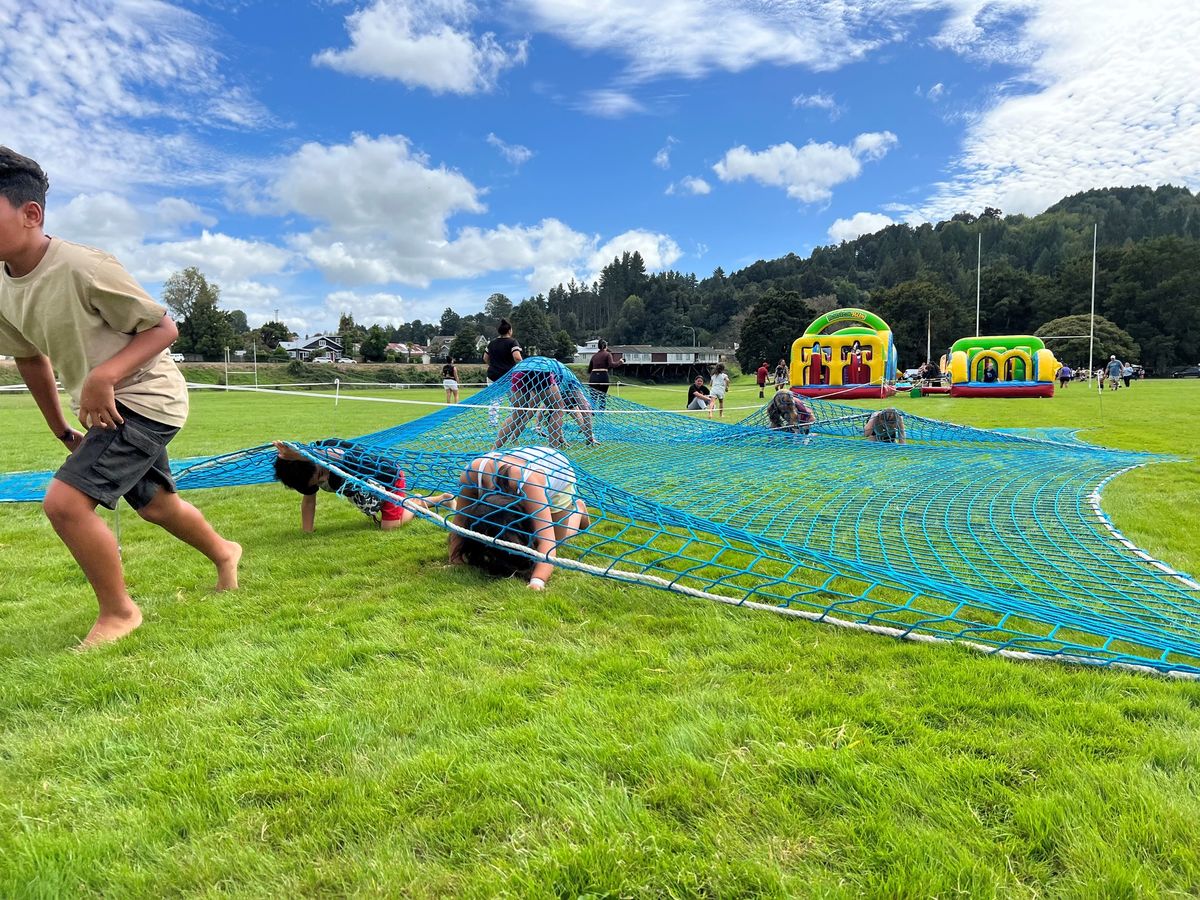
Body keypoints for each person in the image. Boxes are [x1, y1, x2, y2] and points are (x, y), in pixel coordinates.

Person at [0, 146, 240, 647]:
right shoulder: (4, 287)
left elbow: (163, 327)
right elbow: (30, 359)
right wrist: (59, 426)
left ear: (30, 214)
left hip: (148, 398)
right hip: (107, 408)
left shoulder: (85, 267)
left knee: (64, 504)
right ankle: (225, 553)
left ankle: (119, 612)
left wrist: (103, 376)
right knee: (154, 504)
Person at [448, 446, 590, 590]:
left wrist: (537, 581)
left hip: (557, 469)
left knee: (557, 540)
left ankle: (578, 510)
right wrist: (455, 559)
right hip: (519, 466)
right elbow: (459, 522)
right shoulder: (471, 475)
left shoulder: (528, 484)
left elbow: (547, 542)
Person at [272, 440, 451, 532]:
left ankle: (418, 503)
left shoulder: (331, 450)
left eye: (321, 473)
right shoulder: (303, 475)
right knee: (385, 517)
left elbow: (331, 456)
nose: (324, 478)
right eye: (318, 482)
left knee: (390, 527)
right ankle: (423, 501)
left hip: (388, 478)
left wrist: (299, 455)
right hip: (369, 487)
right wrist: (307, 531)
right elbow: (309, 501)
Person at [495, 358, 595, 449]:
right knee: (558, 409)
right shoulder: (573, 382)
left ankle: (496, 448)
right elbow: (585, 411)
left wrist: (560, 437)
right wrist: (590, 438)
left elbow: (539, 411)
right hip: (541, 371)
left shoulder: (559, 375)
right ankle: (552, 450)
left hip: (519, 370)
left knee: (518, 413)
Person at [484, 318, 523, 386]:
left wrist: (494, 365)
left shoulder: (492, 343)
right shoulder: (512, 342)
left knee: (494, 396)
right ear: (509, 331)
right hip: (508, 376)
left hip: (492, 376)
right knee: (512, 396)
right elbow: (517, 358)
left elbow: (485, 358)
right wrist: (522, 367)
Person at [587, 339, 620, 409]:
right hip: (603, 377)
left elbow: (589, 370)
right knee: (602, 396)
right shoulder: (608, 354)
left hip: (593, 378)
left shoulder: (594, 356)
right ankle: (601, 413)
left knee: (593, 397)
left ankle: (591, 412)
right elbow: (612, 365)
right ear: (605, 346)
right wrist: (620, 362)